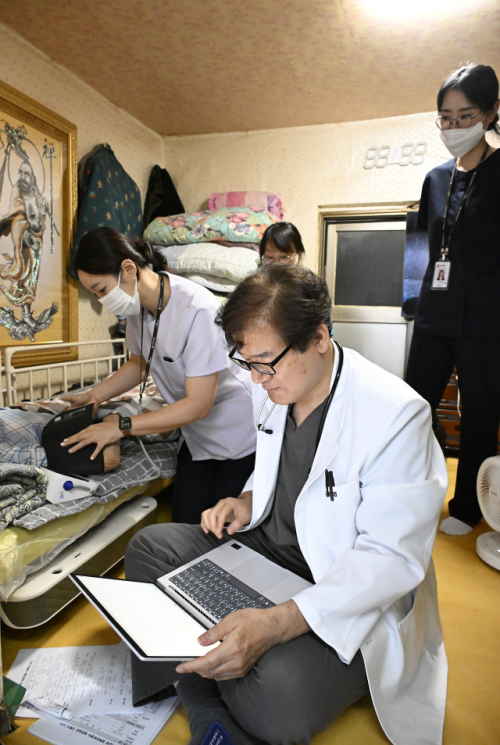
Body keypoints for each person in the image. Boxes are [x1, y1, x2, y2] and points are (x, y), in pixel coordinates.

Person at [125, 264, 448, 745]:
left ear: (319, 338)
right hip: (267, 551)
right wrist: (245, 500)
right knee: (149, 547)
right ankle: (209, 693)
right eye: (248, 364)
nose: (257, 380)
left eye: (265, 363)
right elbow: (277, 465)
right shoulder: (278, 386)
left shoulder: (397, 414)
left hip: (340, 588)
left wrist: (278, 623)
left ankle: (193, 679)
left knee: (280, 696)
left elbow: (390, 559)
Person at [62, 226, 256, 523]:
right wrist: (93, 396)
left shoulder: (197, 308)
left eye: (101, 289)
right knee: (186, 518)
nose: (102, 300)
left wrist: (122, 426)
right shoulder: (138, 308)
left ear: (128, 270)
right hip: (198, 436)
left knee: (223, 526)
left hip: (237, 433)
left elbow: (199, 403)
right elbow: (139, 364)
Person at [405, 62, 500, 537]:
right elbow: (420, 246)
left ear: (491, 112)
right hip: (433, 315)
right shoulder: (435, 178)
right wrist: (412, 304)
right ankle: (410, 493)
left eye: (466, 116)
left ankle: (466, 508)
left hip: (486, 320)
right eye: (446, 117)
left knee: (480, 415)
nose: (455, 126)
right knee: (414, 409)